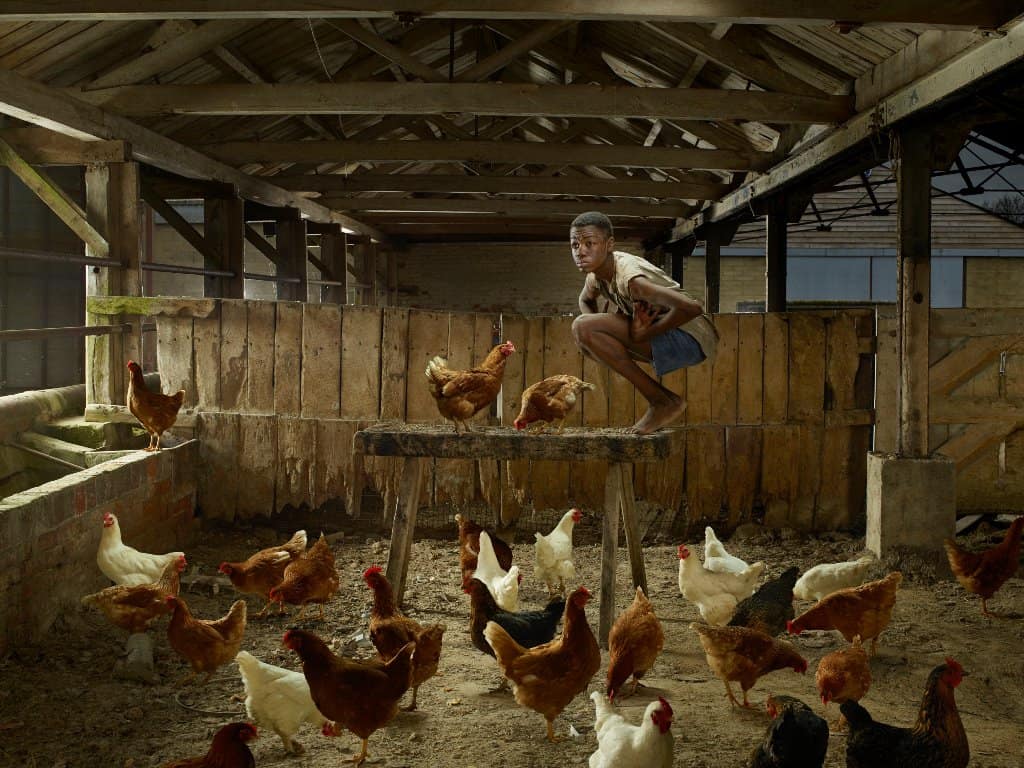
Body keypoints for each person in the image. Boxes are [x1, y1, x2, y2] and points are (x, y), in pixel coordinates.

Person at [570, 211, 718, 435]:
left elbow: (693, 308)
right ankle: (663, 400)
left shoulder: (632, 279)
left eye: (590, 243)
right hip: (665, 337)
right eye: (575, 245)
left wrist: (643, 334)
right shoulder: (595, 276)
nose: (580, 251)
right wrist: (600, 321)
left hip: (691, 339)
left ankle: (662, 402)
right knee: (585, 338)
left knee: (582, 327)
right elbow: (585, 300)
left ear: (609, 245)